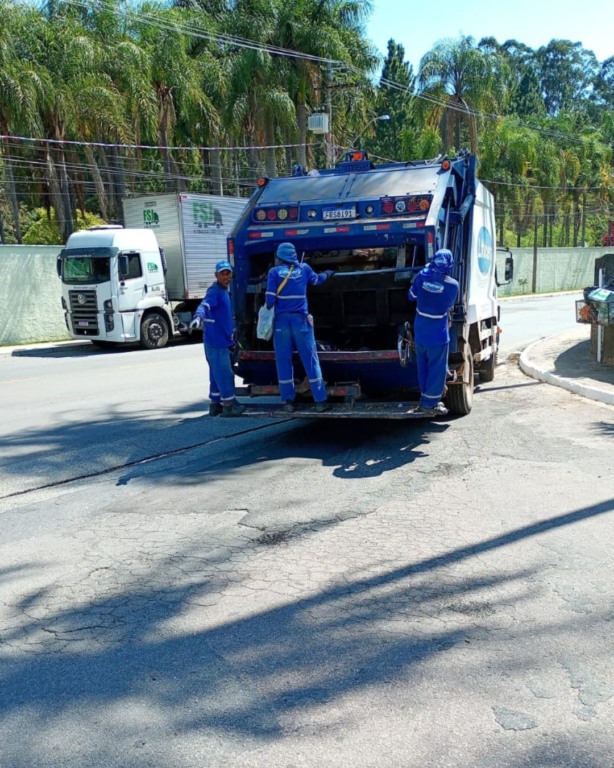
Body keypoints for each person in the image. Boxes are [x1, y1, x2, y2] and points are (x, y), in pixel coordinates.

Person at [265, 242, 334, 413]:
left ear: (279, 257)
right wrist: (328, 273)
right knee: (310, 360)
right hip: (301, 322)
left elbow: (269, 301)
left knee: (283, 361)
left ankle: (288, 401)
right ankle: (320, 401)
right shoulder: (304, 269)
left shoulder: (274, 273)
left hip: (282, 323)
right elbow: (318, 280)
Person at [407, 248, 459, 416]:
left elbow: (411, 296)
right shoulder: (452, 285)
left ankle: (424, 397)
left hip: (421, 330)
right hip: (438, 333)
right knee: (437, 370)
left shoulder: (421, 276)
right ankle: (429, 404)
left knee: (422, 367)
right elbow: (449, 305)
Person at [190, 260, 245, 417]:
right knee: (225, 373)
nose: (226, 276)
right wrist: (198, 317)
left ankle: (215, 404)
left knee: (215, 373)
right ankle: (229, 405)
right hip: (217, 342)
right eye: (222, 273)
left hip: (218, 340)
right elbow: (205, 305)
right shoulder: (215, 292)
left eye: (228, 273)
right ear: (216, 275)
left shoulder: (224, 291)